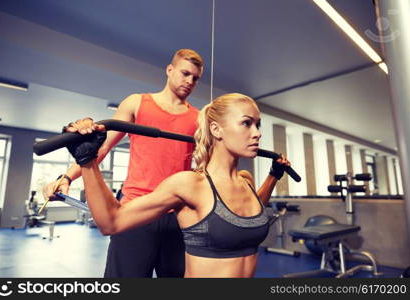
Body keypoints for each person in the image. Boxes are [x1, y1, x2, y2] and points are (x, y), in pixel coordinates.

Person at [64, 93, 290, 278]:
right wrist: (88, 162)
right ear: (216, 130)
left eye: (258, 125)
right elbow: (111, 222)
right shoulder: (190, 185)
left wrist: (273, 176)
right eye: (246, 123)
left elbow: (252, 212)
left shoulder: (245, 181)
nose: (257, 133)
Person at [42, 49, 204, 277]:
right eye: (185, 73)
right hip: (135, 211)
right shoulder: (137, 103)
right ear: (170, 70)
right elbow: (101, 147)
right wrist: (67, 177)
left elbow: (204, 166)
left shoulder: (198, 118)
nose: (190, 81)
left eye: (195, 78)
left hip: (176, 215)